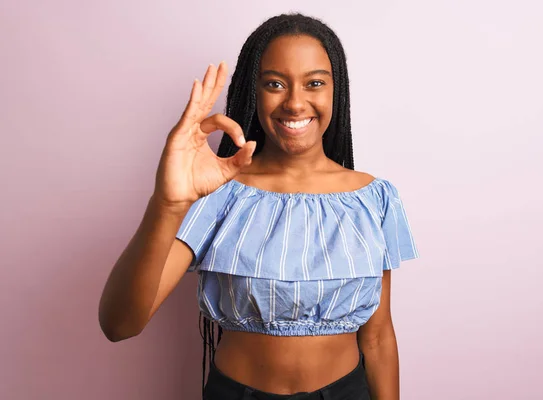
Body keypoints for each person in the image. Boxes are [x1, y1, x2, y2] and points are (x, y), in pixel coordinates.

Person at [99, 13, 419, 400]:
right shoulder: (218, 193)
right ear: (254, 91)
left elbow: (379, 336)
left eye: (314, 83)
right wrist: (167, 202)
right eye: (275, 84)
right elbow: (119, 325)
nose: (295, 103)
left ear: (337, 91)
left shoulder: (373, 199)